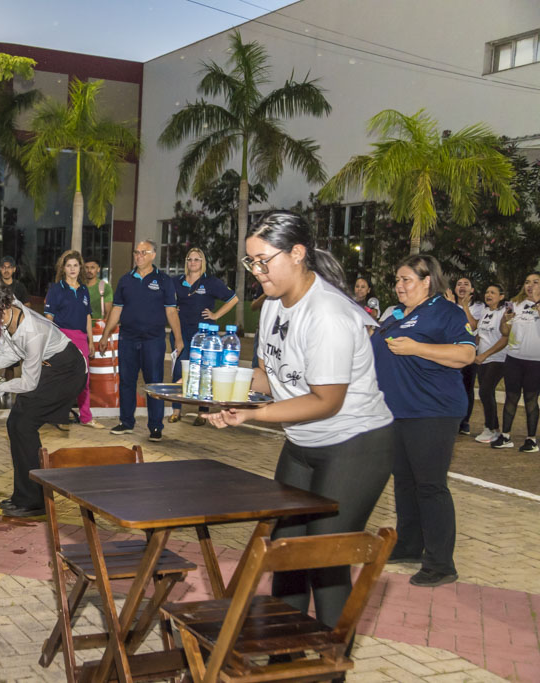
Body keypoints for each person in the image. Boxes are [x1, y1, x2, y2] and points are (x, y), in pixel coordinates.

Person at [208, 211, 395, 627]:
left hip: (355, 444)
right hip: (303, 442)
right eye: (250, 262)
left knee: (326, 561)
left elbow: (326, 400)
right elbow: (270, 377)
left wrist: (253, 412)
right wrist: (217, 385)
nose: (257, 271)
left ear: (297, 253)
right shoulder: (272, 305)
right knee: (286, 552)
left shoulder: (328, 314)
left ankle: (329, 669)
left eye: (263, 260)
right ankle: (284, 661)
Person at [371, 254, 475, 587]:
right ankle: (409, 544)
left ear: (427, 280)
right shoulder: (396, 316)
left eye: (406, 280)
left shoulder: (447, 312)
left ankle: (441, 563)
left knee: (430, 486)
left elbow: (466, 354)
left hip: (433, 412)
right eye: (397, 280)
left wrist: (418, 348)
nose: (399, 286)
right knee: (403, 481)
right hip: (398, 412)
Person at [0, 280, 87, 517]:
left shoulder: (31, 331)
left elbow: (29, 383)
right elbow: (8, 355)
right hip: (51, 366)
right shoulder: (7, 314)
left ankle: (35, 500)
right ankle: (23, 496)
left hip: (68, 370)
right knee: (16, 422)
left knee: (24, 423)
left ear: (0, 307)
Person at [97, 240, 184, 442]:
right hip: (127, 338)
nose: (139, 256)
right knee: (126, 381)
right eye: (136, 252)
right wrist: (105, 335)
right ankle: (126, 422)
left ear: (153, 255)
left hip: (153, 340)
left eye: (144, 252)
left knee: (153, 384)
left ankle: (155, 426)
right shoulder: (126, 280)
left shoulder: (164, 280)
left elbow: (171, 311)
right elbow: (117, 309)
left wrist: (178, 340)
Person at [168, 247, 238, 424]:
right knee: (179, 370)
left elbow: (233, 299)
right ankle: (176, 410)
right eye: (190, 259)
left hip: (204, 333)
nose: (193, 262)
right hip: (181, 332)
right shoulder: (177, 281)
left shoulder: (211, 282)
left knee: (203, 370)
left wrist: (215, 315)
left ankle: (202, 413)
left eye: (197, 259)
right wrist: (173, 307)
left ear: (202, 263)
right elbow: (168, 301)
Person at [44, 250, 103, 429]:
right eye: (68, 265)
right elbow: (48, 317)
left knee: (83, 379)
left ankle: (86, 417)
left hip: (81, 339)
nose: (72, 269)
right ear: (63, 268)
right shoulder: (56, 289)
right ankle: (58, 417)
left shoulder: (84, 290)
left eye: (75, 265)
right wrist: (48, 342)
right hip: (61, 337)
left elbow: (87, 317)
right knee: (63, 379)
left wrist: (91, 341)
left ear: (80, 268)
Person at [493, 272, 540, 452]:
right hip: (514, 359)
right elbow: (505, 331)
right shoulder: (514, 303)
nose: (530, 285)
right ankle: (505, 436)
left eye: (536, 282)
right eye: (527, 282)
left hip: (536, 361)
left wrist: (537, 301)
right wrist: (505, 320)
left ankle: (531, 439)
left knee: (531, 399)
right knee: (511, 397)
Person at [473, 284, 509, 444]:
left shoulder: (505, 312)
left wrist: (486, 354)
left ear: (501, 296)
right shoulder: (485, 312)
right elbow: (480, 335)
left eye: (493, 292)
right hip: (482, 358)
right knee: (487, 393)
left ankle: (492, 428)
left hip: (498, 358)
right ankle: (491, 428)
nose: (488, 295)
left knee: (485, 391)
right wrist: (474, 350)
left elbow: (505, 338)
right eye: (487, 292)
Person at [453, 277, 486, 435]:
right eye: (459, 284)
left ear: (472, 290)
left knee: (467, 387)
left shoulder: (479, 307)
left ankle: (465, 421)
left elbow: (472, 326)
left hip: (469, 352)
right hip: (450, 351)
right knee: (450, 385)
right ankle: (452, 419)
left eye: (466, 284)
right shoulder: (448, 306)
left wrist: (465, 306)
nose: (462, 287)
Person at [83, 256, 111, 322]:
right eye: (86, 267)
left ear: (98, 269)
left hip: (97, 328)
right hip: (79, 328)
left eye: (92, 267)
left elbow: (108, 312)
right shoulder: (78, 286)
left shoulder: (105, 287)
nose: (89, 270)